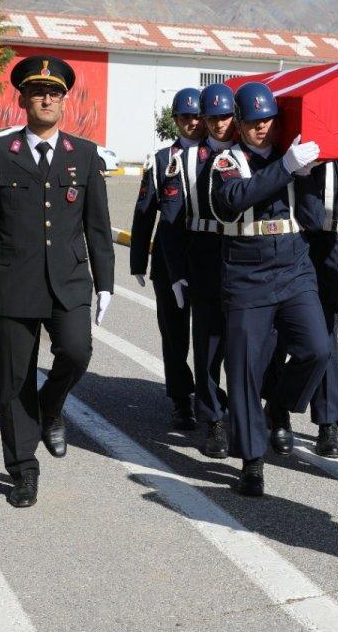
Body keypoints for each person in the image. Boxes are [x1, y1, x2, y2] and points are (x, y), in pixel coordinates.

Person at [0, 55, 115, 509]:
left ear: (63, 101)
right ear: (23, 100)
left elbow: (98, 226)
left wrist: (105, 282)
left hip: (68, 281)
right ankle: (23, 470)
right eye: (37, 92)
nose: (46, 98)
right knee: (13, 381)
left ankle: (52, 407)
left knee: (76, 351)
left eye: (54, 93)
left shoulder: (85, 156)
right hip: (13, 282)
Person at [209, 82, 327, 496]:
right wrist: (287, 168)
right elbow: (233, 200)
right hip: (247, 270)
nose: (262, 129)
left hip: (293, 264)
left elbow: (312, 219)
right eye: (254, 122)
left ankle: (278, 405)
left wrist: (311, 176)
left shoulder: (288, 159)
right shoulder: (226, 160)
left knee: (317, 348)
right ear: (239, 124)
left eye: (268, 121)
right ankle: (252, 460)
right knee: (243, 368)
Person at [268, 156, 338, 459]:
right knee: (323, 339)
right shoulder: (319, 156)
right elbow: (310, 216)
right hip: (317, 249)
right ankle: (327, 427)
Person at [130, 88, 202, 430]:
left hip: (205, 259)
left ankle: (208, 394)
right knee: (175, 334)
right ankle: (180, 398)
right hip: (167, 262)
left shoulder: (217, 155)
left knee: (208, 332)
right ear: (175, 120)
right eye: (185, 116)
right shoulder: (161, 161)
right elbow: (145, 212)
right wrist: (137, 262)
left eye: (197, 115)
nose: (192, 122)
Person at [180, 83, 237, 458]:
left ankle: (248, 409)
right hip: (202, 256)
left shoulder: (245, 154)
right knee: (207, 346)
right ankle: (214, 419)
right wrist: (177, 271)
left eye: (225, 117)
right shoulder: (188, 159)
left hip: (243, 256)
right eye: (211, 117)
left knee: (249, 342)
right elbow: (174, 222)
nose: (218, 125)